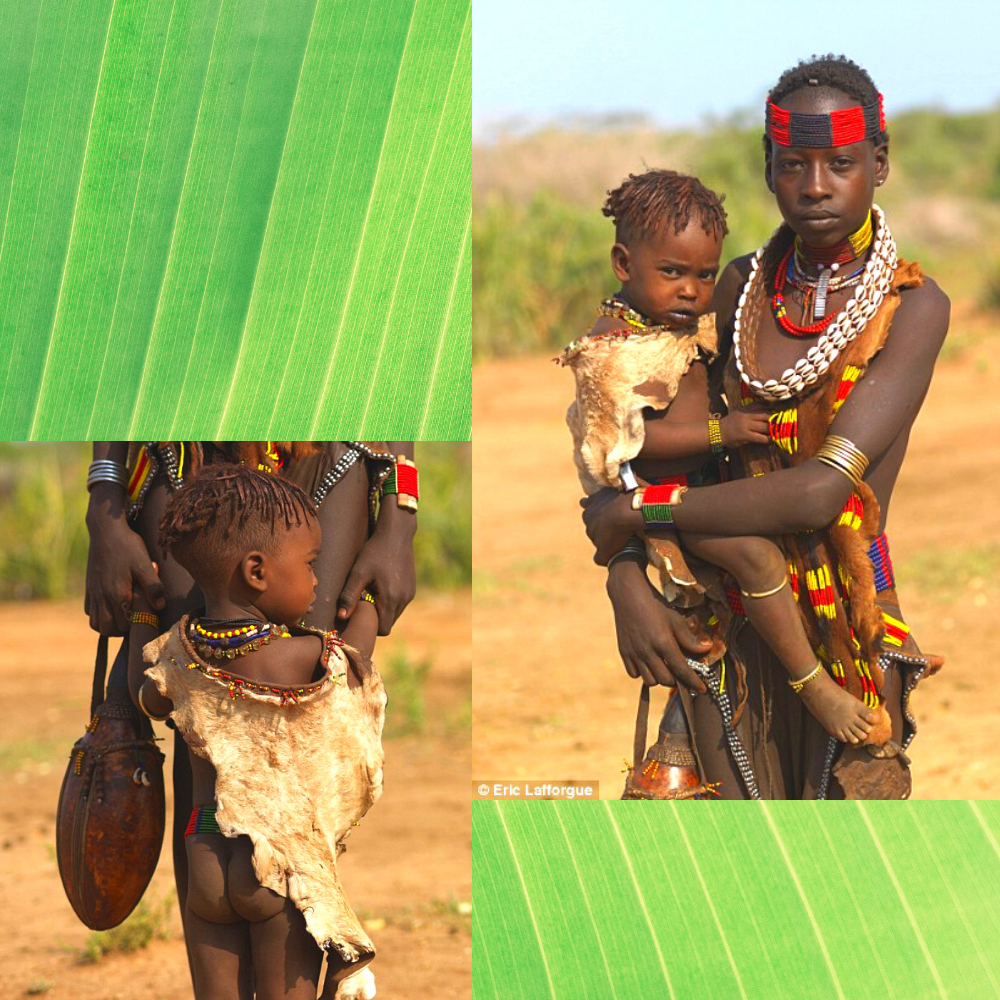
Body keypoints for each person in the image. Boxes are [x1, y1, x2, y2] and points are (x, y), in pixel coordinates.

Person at [583, 55, 949, 800]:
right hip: (722, 616)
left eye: (841, 163)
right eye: (794, 164)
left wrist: (637, 516)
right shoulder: (733, 287)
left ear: (879, 164)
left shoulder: (910, 308)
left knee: (838, 881)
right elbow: (628, 439)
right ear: (768, 168)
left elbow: (817, 497)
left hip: (849, 619)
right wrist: (627, 580)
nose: (815, 186)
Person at [561, 168, 883, 751]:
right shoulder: (611, 350)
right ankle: (814, 686)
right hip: (665, 507)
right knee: (759, 560)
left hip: (700, 496)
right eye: (672, 273)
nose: (691, 289)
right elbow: (633, 442)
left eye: (705, 275)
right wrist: (721, 432)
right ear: (623, 264)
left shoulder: (680, 326)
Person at [84, 441, 418, 989]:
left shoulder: (179, 653)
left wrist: (143, 608)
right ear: (258, 573)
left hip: (206, 849)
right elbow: (353, 662)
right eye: (310, 565)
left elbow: (144, 693)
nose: (316, 579)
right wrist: (376, 598)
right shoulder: (305, 657)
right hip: (278, 863)